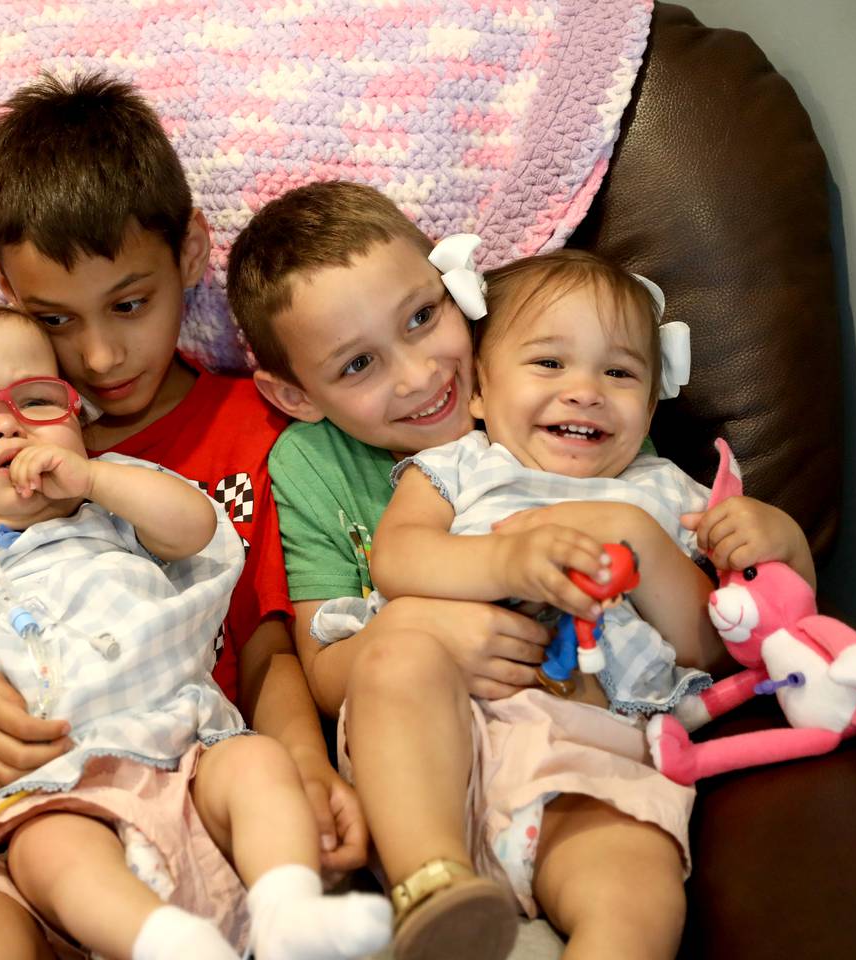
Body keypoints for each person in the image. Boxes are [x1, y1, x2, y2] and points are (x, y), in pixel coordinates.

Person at [227, 182, 814, 960]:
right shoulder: (447, 470)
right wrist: (502, 562)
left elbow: (732, 630)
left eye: (423, 318)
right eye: (361, 362)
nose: (417, 376)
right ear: (296, 395)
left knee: (635, 894)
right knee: (401, 646)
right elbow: (390, 574)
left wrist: (768, 544)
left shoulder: (652, 481)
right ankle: (432, 888)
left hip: (590, 753)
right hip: (434, 754)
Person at [0, 73, 366, 955]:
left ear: (192, 254)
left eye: (130, 304)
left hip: (195, 785)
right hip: (20, 822)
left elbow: (265, 642)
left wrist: (306, 766)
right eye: (54, 319)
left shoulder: (257, 427)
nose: (98, 355)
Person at [0, 302, 391, 960]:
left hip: (184, 769)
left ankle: (293, 916)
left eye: (36, 400)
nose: (6, 424)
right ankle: (169, 945)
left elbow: (194, 526)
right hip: (38, 804)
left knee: (258, 765)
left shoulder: (105, 512)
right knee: (50, 848)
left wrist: (93, 479)